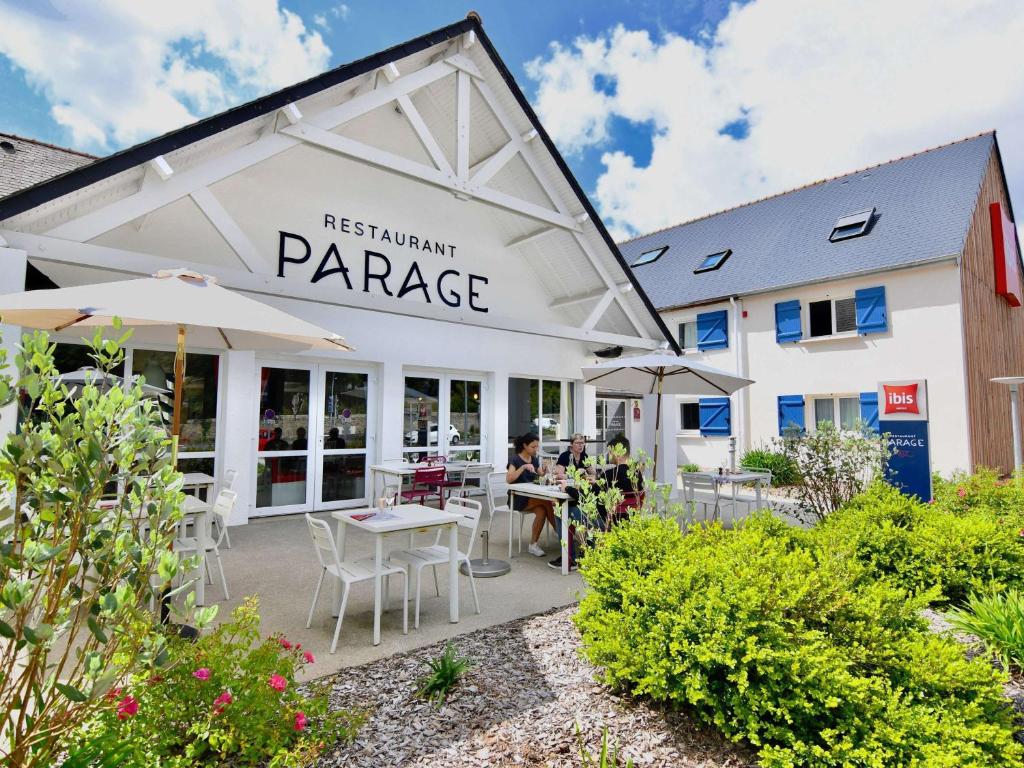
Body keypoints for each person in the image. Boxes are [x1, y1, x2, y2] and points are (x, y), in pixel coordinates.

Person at [548, 435, 639, 571]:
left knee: (561, 510)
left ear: (616, 452)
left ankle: (570, 559)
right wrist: (597, 483)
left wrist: (566, 487)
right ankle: (588, 551)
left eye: (610, 451)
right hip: (626, 518)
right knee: (585, 511)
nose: (609, 455)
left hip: (604, 520)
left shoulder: (611, 474)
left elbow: (584, 496)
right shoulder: (636, 473)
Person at [507, 432, 556, 557]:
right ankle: (562, 532)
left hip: (533, 496)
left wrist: (545, 470)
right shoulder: (515, 459)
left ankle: (533, 545)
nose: (536, 449)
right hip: (518, 498)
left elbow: (541, 476)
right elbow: (509, 479)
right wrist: (523, 467)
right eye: (533, 447)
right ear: (525, 446)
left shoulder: (534, 459)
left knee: (542, 511)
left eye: (537, 446)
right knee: (547, 502)